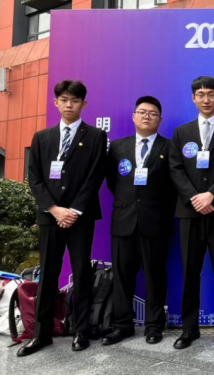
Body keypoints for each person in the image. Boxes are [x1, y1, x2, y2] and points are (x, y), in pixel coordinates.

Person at [20, 80, 107, 357]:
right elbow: (34, 178)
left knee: (81, 273)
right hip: (50, 217)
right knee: (48, 274)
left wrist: (74, 210)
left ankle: (81, 331)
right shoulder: (42, 137)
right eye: (64, 99)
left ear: (84, 104)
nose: (69, 105)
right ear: (55, 102)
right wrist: (54, 209)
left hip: (80, 217)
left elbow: (95, 176)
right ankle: (41, 333)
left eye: (75, 100)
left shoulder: (96, 136)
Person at [169, 76, 214, 349]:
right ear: (193, 98)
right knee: (190, 271)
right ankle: (189, 330)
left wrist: (211, 194)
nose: (206, 99)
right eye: (200, 95)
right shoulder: (182, 132)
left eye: (211, 94)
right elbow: (175, 168)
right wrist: (194, 198)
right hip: (190, 212)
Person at [102, 96, 176, 346]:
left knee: (155, 275)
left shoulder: (169, 147)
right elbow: (112, 182)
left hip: (155, 221)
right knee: (122, 275)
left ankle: (154, 325)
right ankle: (122, 325)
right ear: (134, 116)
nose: (147, 116)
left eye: (153, 113)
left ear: (160, 119)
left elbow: (173, 185)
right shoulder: (118, 147)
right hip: (123, 220)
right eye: (142, 112)